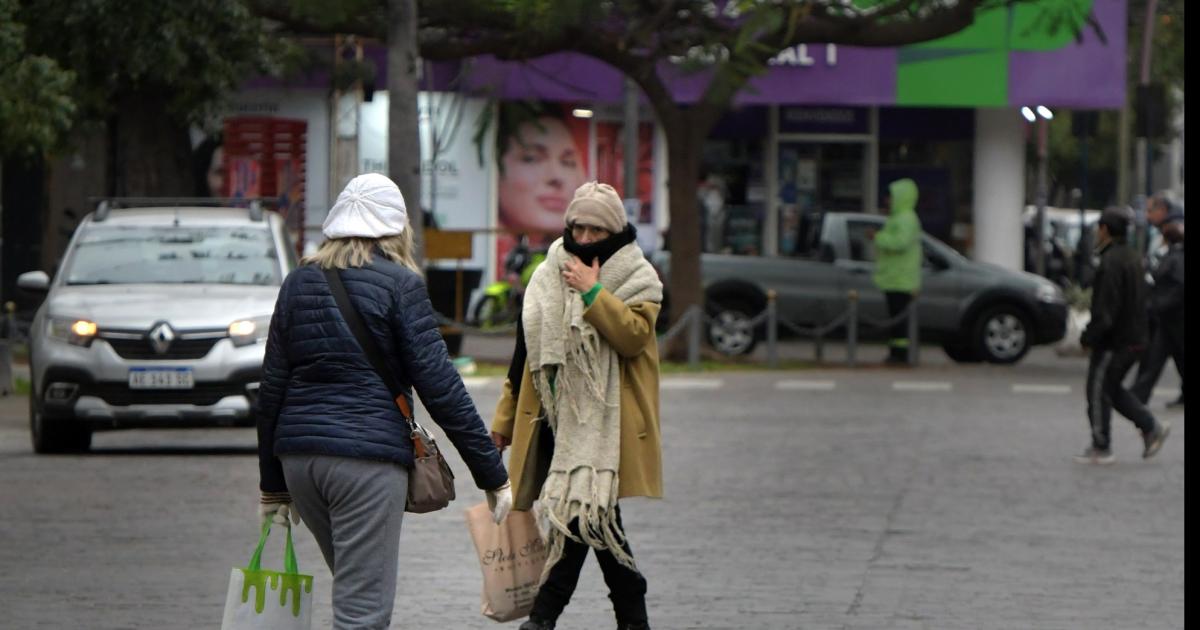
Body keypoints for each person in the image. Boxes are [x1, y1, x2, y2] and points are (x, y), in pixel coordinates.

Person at [254, 173, 512, 628]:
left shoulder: (298, 283)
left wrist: (273, 484)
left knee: (354, 590)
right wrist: (492, 476)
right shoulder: (400, 285)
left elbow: (272, 387)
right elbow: (441, 387)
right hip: (366, 464)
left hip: (301, 463)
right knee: (362, 613)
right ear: (396, 229)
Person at [490, 181, 663, 630]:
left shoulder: (637, 275)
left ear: (614, 231)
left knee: (582, 514)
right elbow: (524, 355)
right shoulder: (550, 269)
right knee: (593, 518)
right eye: (577, 228)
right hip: (552, 418)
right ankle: (630, 610)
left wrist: (592, 292)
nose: (584, 238)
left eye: (595, 230)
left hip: (606, 423)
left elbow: (633, 337)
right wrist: (504, 421)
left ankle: (543, 618)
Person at [1075, 206, 1171, 465]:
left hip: (1115, 341)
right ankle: (1151, 428)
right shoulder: (1132, 257)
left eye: (1099, 229)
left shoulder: (1110, 263)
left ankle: (1101, 446)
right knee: (1111, 389)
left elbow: (1105, 310)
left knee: (1098, 389)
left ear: (1105, 230)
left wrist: (1089, 338)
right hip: (1136, 336)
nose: (1097, 233)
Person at [1137, 194, 1185, 406]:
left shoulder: (1175, 248)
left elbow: (1177, 285)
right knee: (1158, 356)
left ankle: (1136, 397)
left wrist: (1158, 303)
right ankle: (1137, 396)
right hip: (1167, 316)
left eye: (1151, 211)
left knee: (1159, 357)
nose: (1148, 216)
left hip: (1174, 315)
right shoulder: (1164, 241)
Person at [872, 178, 923, 364]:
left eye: (890, 197)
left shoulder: (905, 218)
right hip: (895, 277)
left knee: (900, 318)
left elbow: (900, 242)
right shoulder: (898, 217)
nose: (887, 200)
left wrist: (878, 237)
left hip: (901, 278)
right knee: (896, 318)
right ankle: (896, 351)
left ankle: (901, 354)